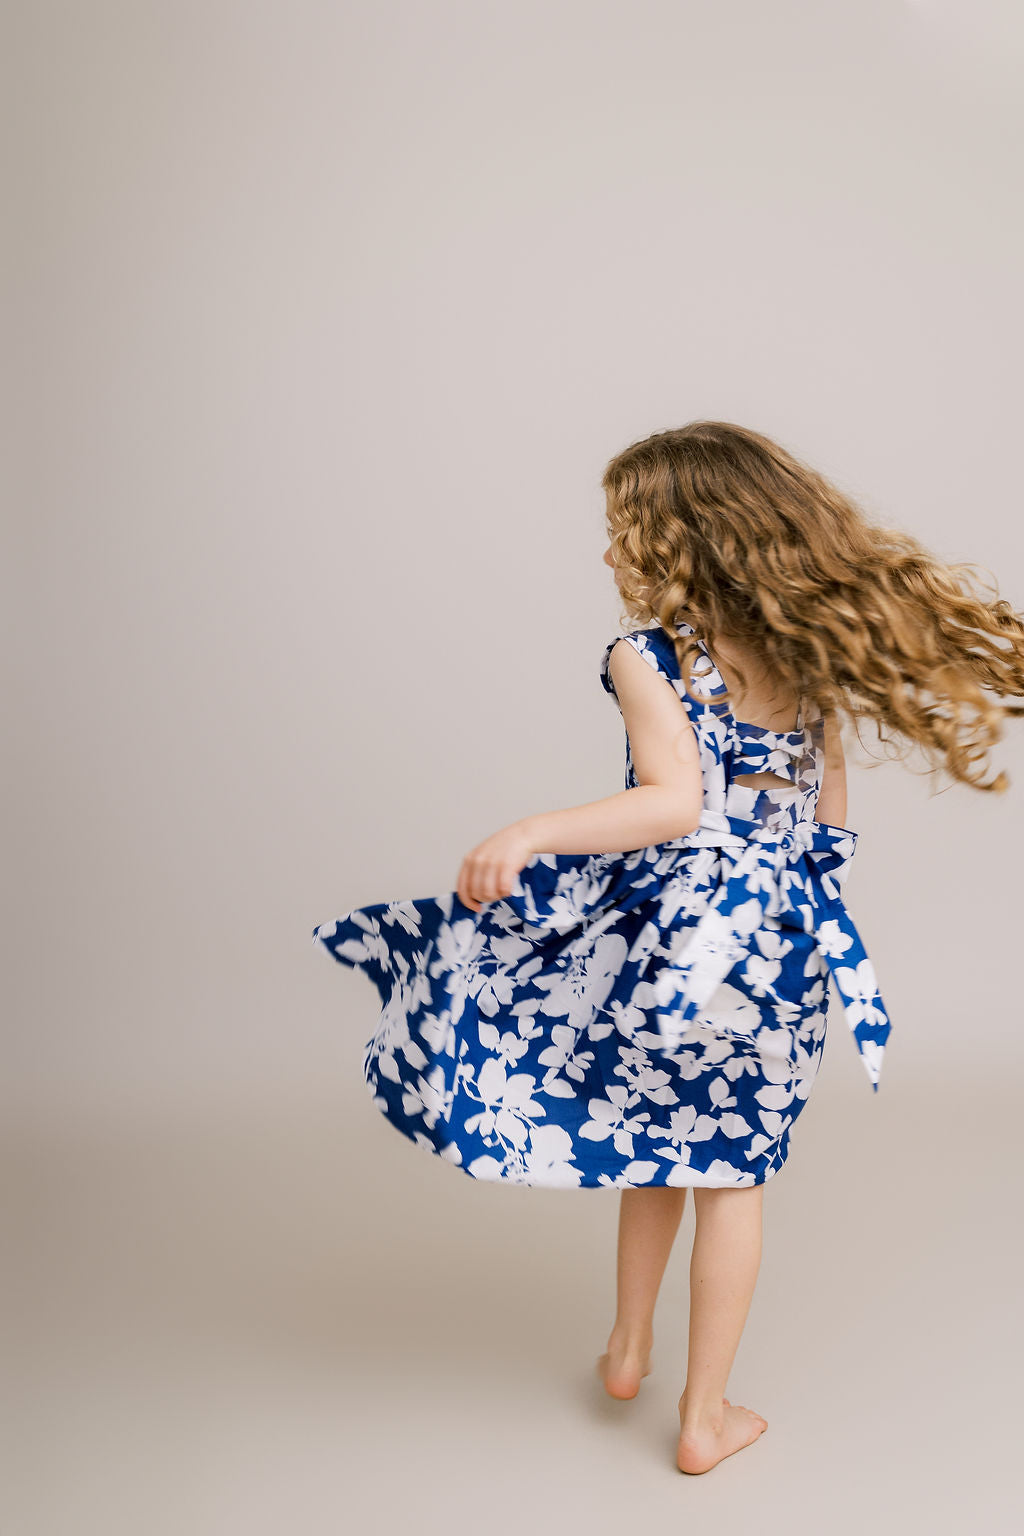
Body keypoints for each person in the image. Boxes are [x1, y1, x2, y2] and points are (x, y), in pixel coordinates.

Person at [311, 420, 1024, 1475]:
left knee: (655, 1139)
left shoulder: (647, 655)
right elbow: (827, 825)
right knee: (731, 1173)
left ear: (684, 540)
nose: (608, 553)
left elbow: (671, 805)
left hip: (668, 945)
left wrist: (532, 833)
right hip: (776, 949)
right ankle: (705, 1413)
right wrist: (780, 896)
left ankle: (627, 1348)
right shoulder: (805, 656)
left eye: (620, 532)